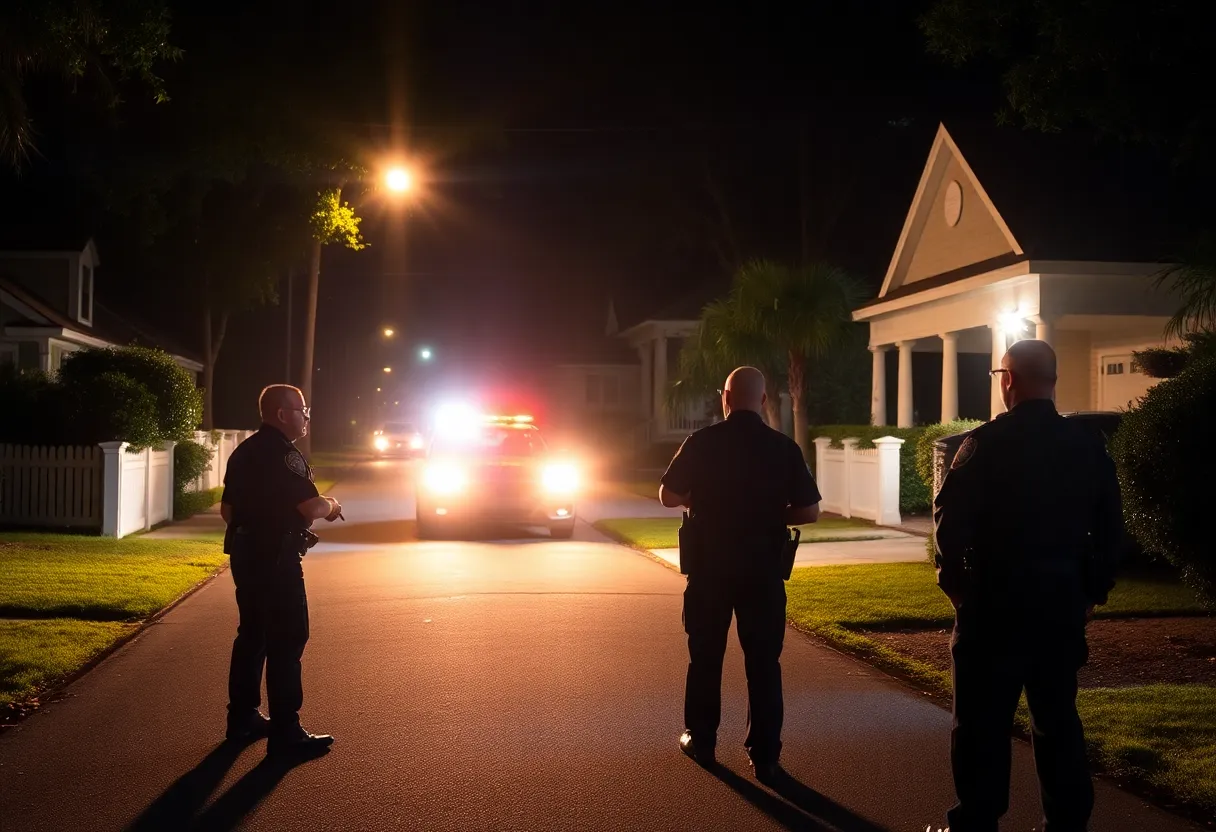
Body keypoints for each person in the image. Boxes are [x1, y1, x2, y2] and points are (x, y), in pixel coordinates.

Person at [933, 340, 1124, 831]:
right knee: (1057, 719)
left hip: (994, 604)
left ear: (1009, 380)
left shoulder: (984, 444)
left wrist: (955, 588)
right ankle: (1066, 823)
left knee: (980, 724)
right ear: (1053, 380)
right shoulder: (1086, 445)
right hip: (1060, 604)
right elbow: (1109, 527)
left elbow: (949, 526)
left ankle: (976, 822)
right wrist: (1092, 594)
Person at [659, 366, 821, 782]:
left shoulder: (702, 442)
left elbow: (668, 494)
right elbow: (809, 511)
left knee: (706, 657)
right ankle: (765, 755)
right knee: (764, 662)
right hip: (764, 572)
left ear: (725, 398)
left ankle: (703, 740)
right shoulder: (783, 448)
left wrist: (701, 500)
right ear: (764, 400)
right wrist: (769, 514)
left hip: (710, 569)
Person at [220, 384, 343, 757]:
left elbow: (226, 512)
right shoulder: (285, 454)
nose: (307, 416)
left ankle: (242, 719)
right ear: (281, 414)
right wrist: (333, 504)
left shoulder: (243, 452)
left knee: (252, 634)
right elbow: (310, 507)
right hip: (276, 557)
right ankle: (286, 731)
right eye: (302, 410)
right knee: (288, 638)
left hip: (244, 553)